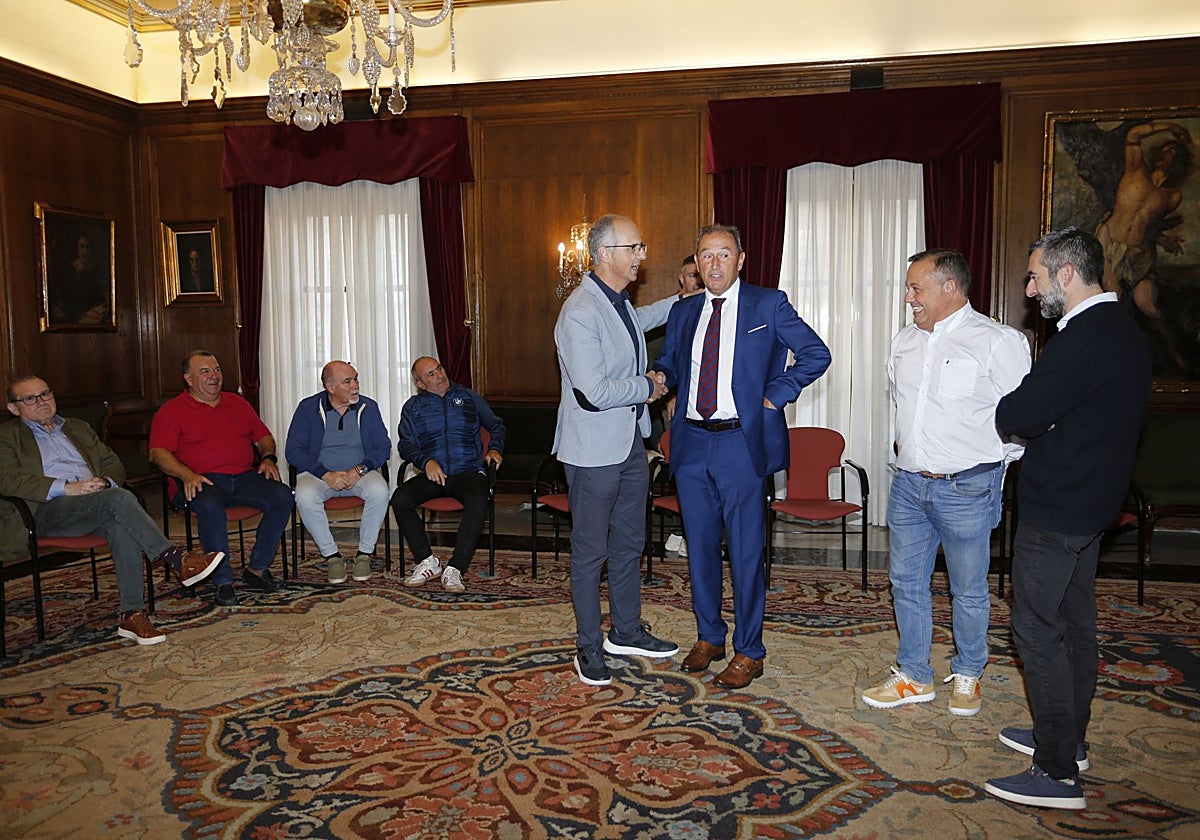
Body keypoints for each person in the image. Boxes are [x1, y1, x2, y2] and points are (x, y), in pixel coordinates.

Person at [984, 227, 1150, 809]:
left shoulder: (1081, 337)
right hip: (1093, 506)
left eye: (1034, 276)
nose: (1029, 290)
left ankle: (1055, 773)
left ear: (1067, 274)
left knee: (1035, 630)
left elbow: (1018, 411)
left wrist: (1031, 415)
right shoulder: (1123, 328)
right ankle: (1069, 739)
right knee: (1075, 625)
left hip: (1059, 511)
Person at [651, 224, 831, 689]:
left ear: (741, 258)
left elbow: (816, 353)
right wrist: (658, 376)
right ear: (697, 261)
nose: (714, 264)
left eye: (723, 254)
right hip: (690, 443)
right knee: (700, 548)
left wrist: (775, 394)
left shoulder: (767, 304)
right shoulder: (684, 310)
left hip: (740, 445)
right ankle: (709, 635)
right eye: (705, 256)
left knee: (747, 552)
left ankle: (750, 650)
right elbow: (673, 361)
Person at [860, 249, 1030, 716]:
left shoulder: (999, 341)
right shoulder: (905, 341)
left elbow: (1022, 419)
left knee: (968, 588)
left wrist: (995, 471)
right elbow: (902, 406)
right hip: (909, 486)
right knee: (906, 583)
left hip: (967, 488)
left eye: (917, 288)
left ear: (949, 288)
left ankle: (969, 672)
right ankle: (914, 675)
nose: (908, 297)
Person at [554, 213, 682, 686]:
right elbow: (593, 391)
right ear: (605, 254)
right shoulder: (580, 311)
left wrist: (682, 300)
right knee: (590, 553)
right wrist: (646, 386)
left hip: (628, 442)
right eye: (635, 248)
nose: (642, 255)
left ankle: (625, 631)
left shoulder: (617, 301)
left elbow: (640, 322)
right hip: (591, 451)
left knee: (628, 542)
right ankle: (587, 647)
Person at [1, 375, 223, 645]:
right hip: (45, 510)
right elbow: (9, 479)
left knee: (121, 525)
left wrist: (104, 481)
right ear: (14, 408)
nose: (42, 402)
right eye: (30, 399)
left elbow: (112, 463)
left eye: (45, 394)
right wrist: (67, 487)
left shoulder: (78, 427)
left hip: (95, 501)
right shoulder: (7, 436)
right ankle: (177, 559)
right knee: (119, 499)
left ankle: (132, 614)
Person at [149, 350, 294, 607]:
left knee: (282, 496)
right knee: (210, 506)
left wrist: (268, 457)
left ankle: (258, 569)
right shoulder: (171, 411)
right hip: (200, 480)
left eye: (216, 370)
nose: (214, 376)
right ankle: (222, 580)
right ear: (189, 379)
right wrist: (187, 475)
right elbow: (157, 453)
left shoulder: (237, 403)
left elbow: (263, 436)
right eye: (205, 372)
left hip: (243, 476)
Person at [392, 356, 505, 594]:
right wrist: (426, 461)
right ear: (420, 384)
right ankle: (427, 561)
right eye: (431, 374)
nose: (440, 376)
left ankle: (455, 568)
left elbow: (496, 426)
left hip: (468, 472)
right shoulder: (412, 407)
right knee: (400, 499)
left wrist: (494, 448)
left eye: (439, 369)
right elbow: (405, 445)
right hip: (434, 474)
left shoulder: (468, 398)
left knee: (478, 501)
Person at [285, 361, 392, 584]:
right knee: (304, 496)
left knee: (380, 491)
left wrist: (359, 470)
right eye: (347, 381)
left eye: (355, 378)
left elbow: (383, 447)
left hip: (359, 472)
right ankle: (332, 556)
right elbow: (293, 451)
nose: (355, 385)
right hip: (319, 475)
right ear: (330, 387)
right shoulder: (308, 408)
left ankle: (364, 554)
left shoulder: (368, 407)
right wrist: (325, 474)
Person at [646, 255, 704, 555]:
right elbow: (658, 358)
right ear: (681, 279)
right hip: (670, 406)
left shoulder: (713, 308)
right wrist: (669, 395)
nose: (696, 279)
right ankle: (680, 529)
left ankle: (694, 531)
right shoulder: (670, 312)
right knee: (680, 470)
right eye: (690, 275)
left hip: (707, 407)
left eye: (699, 275)